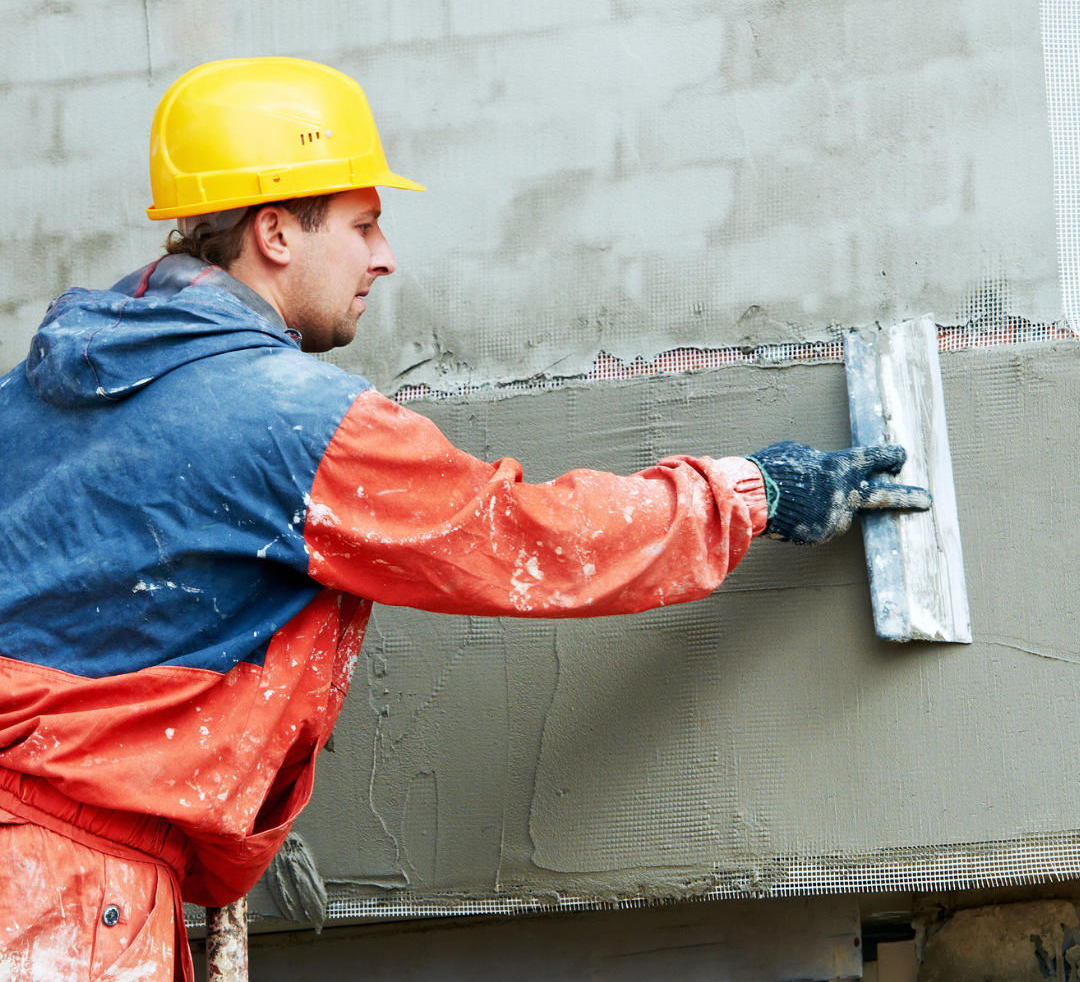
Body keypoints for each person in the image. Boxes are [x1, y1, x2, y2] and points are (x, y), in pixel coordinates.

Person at [0, 58, 929, 981]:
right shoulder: (285, 422)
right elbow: (527, 541)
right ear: (275, 231)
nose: (385, 256)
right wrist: (752, 493)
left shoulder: (33, 394)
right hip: (67, 900)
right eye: (363, 225)